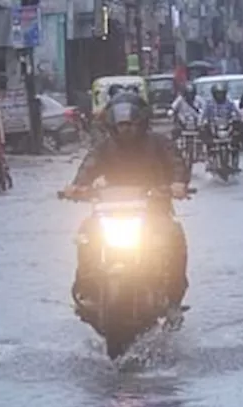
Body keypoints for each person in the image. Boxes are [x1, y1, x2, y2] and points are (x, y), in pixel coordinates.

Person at [62, 92, 191, 320]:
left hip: (154, 210)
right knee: (86, 234)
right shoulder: (103, 147)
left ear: (141, 122)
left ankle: (172, 300)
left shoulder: (159, 143)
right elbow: (88, 167)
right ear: (111, 124)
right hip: (109, 210)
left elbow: (177, 164)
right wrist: (76, 187)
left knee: (174, 237)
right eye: (121, 125)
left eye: (130, 125)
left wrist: (178, 184)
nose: (126, 130)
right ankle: (87, 290)